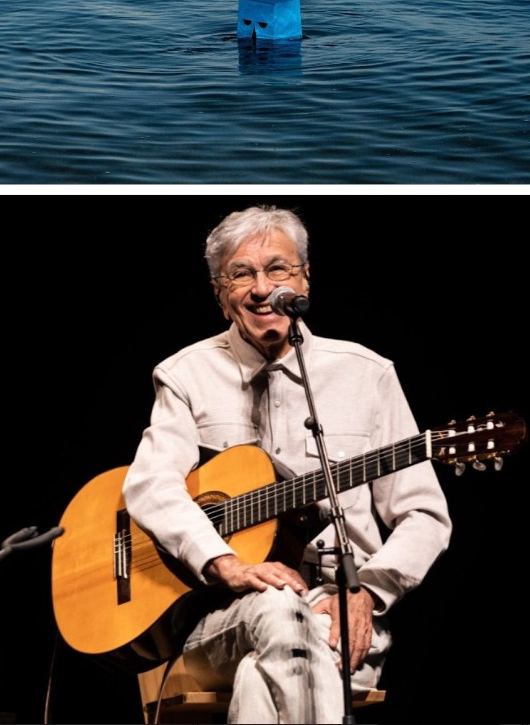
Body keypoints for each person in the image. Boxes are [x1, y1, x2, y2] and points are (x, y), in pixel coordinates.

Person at [122, 206, 452, 723]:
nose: (261, 288)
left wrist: (370, 589)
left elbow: (425, 515)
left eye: (278, 269)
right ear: (218, 293)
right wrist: (224, 563)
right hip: (219, 616)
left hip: (341, 614)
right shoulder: (186, 375)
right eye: (241, 273)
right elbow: (151, 488)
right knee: (279, 607)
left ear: (303, 278)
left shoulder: (366, 375)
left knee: (265, 675)